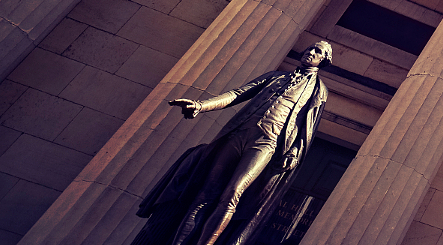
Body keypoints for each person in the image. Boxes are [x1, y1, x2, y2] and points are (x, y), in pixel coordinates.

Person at [134, 41, 333, 245]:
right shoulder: (275, 76)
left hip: (266, 143)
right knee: (206, 193)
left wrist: (295, 152)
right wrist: (200, 106)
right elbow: (237, 94)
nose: (310, 52)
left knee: (233, 193)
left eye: (317, 51)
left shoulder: (318, 90)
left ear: (324, 60)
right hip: (237, 134)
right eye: (310, 48)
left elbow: (309, 125)